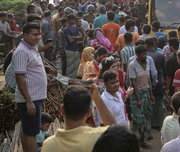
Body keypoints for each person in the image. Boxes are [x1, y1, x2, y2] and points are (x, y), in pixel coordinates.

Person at [41, 85, 116, 152]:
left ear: (62, 110)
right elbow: (114, 128)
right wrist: (96, 97)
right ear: (89, 112)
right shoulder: (98, 137)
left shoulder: (49, 145)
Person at [14, 23, 47, 152]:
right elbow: (20, 78)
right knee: (32, 132)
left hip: (35, 97)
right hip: (30, 98)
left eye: (38, 34)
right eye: (34, 35)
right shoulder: (22, 51)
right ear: (25, 35)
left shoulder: (32, 48)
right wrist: (29, 101)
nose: (38, 37)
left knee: (27, 129)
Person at [129, 45, 155, 150]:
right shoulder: (132, 65)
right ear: (137, 55)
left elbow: (148, 79)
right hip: (137, 95)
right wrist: (138, 99)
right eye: (143, 54)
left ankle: (143, 141)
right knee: (137, 120)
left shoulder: (147, 63)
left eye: (146, 54)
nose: (145, 56)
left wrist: (151, 94)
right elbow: (133, 83)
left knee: (146, 117)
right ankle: (135, 141)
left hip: (146, 94)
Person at [145, 37, 165, 129]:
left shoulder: (144, 56)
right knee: (159, 102)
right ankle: (159, 123)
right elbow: (164, 69)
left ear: (146, 45)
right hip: (158, 81)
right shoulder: (160, 55)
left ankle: (150, 123)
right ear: (154, 44)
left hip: (146, 82)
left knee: (148, 102)